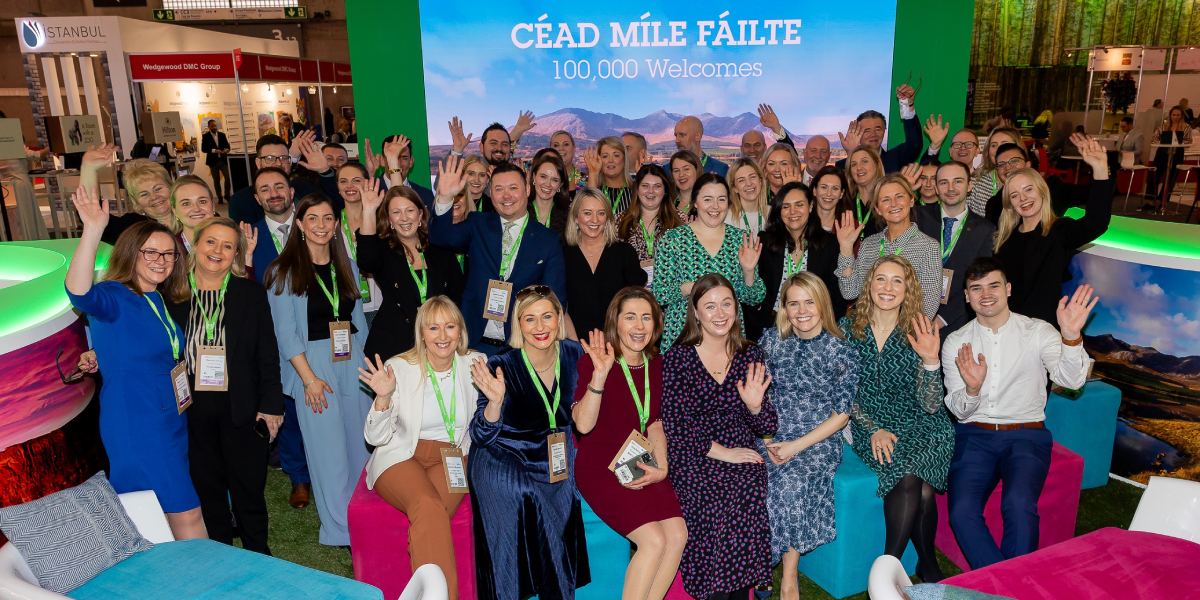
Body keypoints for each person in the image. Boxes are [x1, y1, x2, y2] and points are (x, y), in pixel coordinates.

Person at [64, 186, 206, 540]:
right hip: (138, 420)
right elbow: (79, 292)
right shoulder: (114, 293)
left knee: (153, 514)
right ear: (131, 254)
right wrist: (94, 229)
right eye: (151, 253)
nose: (161, 260)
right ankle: (209, 586)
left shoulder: (156, 297)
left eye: (169, 254)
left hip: (168, 415)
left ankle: (172, 582)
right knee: (185, 513)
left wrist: (101, 353)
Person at [943, 259, 1095, 569]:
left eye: (994, 285)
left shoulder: (1039, 331)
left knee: (1020, 504)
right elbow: (957, 408)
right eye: (977, 288)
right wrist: (972, 389)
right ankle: (1010, 586)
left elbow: (1072, 380)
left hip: (1026, 434)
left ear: (1008, 289)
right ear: (967, 296)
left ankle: (1002, 586)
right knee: (961, 512)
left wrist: (1071, 336)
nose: (986, 294)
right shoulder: (957, 342)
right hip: (974, 433)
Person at [166, 216, 283, 554]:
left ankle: (259, 555)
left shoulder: (250, 294)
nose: (217, 250)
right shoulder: (172, 294)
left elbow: (267, 354)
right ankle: (222, 559)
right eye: (211, 242)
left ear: (236, 255)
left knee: (248, 490)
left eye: (227, 246)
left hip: (242, 409)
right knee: (207, 491)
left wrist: (272, 404)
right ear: (195, 246)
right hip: (190, 410)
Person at [468, 286, 590, 600]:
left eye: (547, 316)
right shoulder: (501, 364)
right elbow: (481, 435)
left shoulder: (575, 354)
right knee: (529, 496)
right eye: (530, 319)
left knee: (563, 502)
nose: (539, 327)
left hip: (554, 455)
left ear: (559, 319)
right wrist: (494, 403)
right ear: (518, 324)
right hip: (502, 455)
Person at [263, 193, 371, 546]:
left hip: (351, 359)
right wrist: (308, 380)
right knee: (328, 452)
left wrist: (368, 368)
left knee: (362, 447)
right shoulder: (283, 270)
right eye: (313, 219)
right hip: (313, 365)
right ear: (299, 224)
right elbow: (284, 332)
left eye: (328, 219)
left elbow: (357, 321)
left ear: (336, 224)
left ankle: (364, 520)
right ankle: (341, 532)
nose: (321, 225)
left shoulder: (348, 266)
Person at [661, 273, 777, 600]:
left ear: (736, 308)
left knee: (747, 488)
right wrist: (722, 452)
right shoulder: (678, 358)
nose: (720, 312)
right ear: (695, 312)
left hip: (740, 447)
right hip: (695, 453)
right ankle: (712, 592)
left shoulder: (750, 355)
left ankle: (740, 592)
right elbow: (676, 424)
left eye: (726, 303)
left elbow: (768, 422)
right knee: (710, 501)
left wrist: (755, 407)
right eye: (709, 306)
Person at [360, 297, 483, 600]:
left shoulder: (475, 364)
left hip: (452, 456)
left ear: (460, 330)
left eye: (450, 326)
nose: (442, 336)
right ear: (422, 332)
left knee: (429, 517)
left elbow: (486, 424)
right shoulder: (398, 367)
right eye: (434, 328)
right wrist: (383, 399)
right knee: (428, 507)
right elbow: (374, 437)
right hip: (401, 454)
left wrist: (495, 401)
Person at [839, 255, 952, 583]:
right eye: (881, 279)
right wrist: (873, 428)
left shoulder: (919, 328)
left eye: (897, 281)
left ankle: (887, 570)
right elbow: (843, 394)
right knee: (922, 490)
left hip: (924, 425)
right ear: (869, 284)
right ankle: (926, 563)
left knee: (907, 474)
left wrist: (931, 360)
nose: (888, 287)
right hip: (868, 424)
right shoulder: (847, 328)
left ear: (908, 290)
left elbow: (931, 405)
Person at [572, 288, 688, 600]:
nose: (639, 326)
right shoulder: (593, 362)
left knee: (677, 534)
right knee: (653, 539)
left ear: (656, 324)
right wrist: (599, 375)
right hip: (599, 467)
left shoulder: (658, 365)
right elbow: (583, 425)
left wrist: (662, 468)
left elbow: (655, 424)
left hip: (638, 461)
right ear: (616, 322)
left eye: (646, 317)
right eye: (630, 317)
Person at [758, 273, 858, 600]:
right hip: (773, 431)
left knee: (788, 484)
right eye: (793, 302)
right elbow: (755, 391)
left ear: (822, 304)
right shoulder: (771, 341)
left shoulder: (842, 350)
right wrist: (770, 436)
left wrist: (796, 446)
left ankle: (787, 576)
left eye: (809, 301)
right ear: (784, 307)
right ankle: (758, 564)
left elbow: (841, 415)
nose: (801, 310)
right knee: (747, 474)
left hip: (817, 439)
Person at [429, 157, 567, 355]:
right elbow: (440, 237)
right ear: (490, 193)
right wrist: (444, 198)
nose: (506, 196)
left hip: (521, 345)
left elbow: (555, 300)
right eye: (499, 189)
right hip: (473, 340)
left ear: (527, 190)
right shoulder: (478, 224)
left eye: (513, 188)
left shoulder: (548, 240)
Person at [243, 166, 312, 508]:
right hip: (272, 336)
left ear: (291, 191)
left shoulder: (314, 226)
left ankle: (326, 468)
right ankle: (298, 476)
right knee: (286, 406)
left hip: (318, 330)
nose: (273, 193)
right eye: (265, 189)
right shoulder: (249, 237)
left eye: (279, 186)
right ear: (257, 199)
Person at [992, 134, 1111, 327]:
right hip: (1007, 329)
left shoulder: (1059, 231)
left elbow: (1097, 222)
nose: (1023, 198)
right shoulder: (1004, 239)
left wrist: (1100, 168)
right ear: (1010, 204)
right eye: (1015, 195)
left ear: (1041, 191)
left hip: (1042, 333)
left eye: (1028, 190)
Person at [653, 173, 766, 351]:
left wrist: (748, 271)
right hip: (684, 334)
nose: (715, 206)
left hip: (727, 335)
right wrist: (690, 288)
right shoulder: (672, 239)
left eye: (721, 199)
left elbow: (754, 298)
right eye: (707, 199)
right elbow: (659, 294)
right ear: (695, 202)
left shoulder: (740, 240)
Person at [359, 182, 465, 360]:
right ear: (389, 219)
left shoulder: (439, 247)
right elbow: (366, 262)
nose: (404, 218)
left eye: (409, 210)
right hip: (395, 343)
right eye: (396, 212)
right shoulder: (383, 249)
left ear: (420, 213)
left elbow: (457, 295)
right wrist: (369, 210)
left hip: (440, 341)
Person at [747, 180, 847, 339]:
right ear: (779, 210)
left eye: (799, 204)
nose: (792, 211)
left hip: (813, 326)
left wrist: (822, 328)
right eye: (786, 206)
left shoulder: (829, 244)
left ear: (811, 206)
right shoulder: (765, 242)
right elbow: (752, 294)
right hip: (771, 326)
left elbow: (836, 297)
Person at [837, 174, 943, 319]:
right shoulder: (869, 244)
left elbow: (928, 307)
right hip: (867, 329)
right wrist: (846, 249)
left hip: (904, 335)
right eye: (885, 200)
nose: (893, 204)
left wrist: (896, 335)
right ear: (878, 209)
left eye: (899, 196)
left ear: (911, 200)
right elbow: (849, 292)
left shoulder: (928, 247)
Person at [915, 161, 995, 341]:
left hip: (958, 325)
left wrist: (941, 319)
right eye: (944, 182)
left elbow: (978, 282)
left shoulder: (985, 229)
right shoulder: (917, 218)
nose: (950, 188)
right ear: (936, 187)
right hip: (915, 320)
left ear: (970, 186)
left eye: (958, 181)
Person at [562, 188, 648, 340]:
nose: (595, 220)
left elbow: (636, 304)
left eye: (601, 213)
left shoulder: (625, 253)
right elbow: (560, 307)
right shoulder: (562, 254)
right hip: (575, 343)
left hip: (619, 342)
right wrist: (577, 347)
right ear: (575, 217)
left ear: (607, 217)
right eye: (587, 213)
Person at [228, 132, 342, 225]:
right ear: (258, 163)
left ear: (289, 161)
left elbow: (339, 206)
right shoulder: (241, 201)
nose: (278, 163)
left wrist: (325, 171)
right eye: (270, 158)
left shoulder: (305, 187)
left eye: (283, 158)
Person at [981, 141, 1089, 224]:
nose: (1008, 167)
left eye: (1014, 161)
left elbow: (1093, 195)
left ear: (1028, 165)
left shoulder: (1052, 189)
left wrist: (1099, 168)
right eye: (1001, 164)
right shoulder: (994, 204)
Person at [834, 85, 929, 174]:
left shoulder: (896, 158)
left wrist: (907, 105)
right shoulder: (842, 166)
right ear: (857, 134)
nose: (873, 134)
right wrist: (852, 154)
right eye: (867, 130)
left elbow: (914, 144)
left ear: (884, 131)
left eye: (878, 129)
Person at [617, 164, 684, 285]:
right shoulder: (619, 221)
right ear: (636, 189)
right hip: (631, 295)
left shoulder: (681, 221)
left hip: (670, 296)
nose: (651, 191)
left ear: (665, 191)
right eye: (645, 186)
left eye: (657, 186)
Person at [333, 162, 383, 323]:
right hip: (349, 309)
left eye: (356, 180)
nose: (350, 186)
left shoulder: (382, 222)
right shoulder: (329, 225)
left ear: (367, 183)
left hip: (384, 305)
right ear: (338, 187)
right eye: (343, 181)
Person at [966, 126, 1022, 216]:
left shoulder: (1031, 183)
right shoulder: (976, 184)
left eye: (1004, 144)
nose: (998, 149)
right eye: (993, 145)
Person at [1147, 105, 1194, 211]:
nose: (1175, 117)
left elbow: (1189, 141)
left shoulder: (1186, 127)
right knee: (1154, 176)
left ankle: (1163, 201)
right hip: (1162, 154)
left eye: (1178, 115)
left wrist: (1178, 142)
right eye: (1173, 115)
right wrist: (1164, 142)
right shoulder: (1163, 127)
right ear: (1170, 115)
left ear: (1181, 116)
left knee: (1171, 179)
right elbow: (1154, 139)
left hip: (1177, 154)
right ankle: (1150, 201)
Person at [380, 134, 436, 209]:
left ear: (411, 162)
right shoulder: (369, 193)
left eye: (404, 158)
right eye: (392, 158)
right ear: (382, 161)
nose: (398, 164)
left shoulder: (425, 195)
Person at [585, 136, 634, 216]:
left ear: (624, 160)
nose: (610, 161)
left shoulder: (637, 192)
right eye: (605, 156)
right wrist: (593, 173)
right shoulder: (594, 189)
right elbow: (587, 214)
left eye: (616, 156)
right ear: (599, 160)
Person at [845, 145, 886, 239]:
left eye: (864, 161)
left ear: (878, 164)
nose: (859, 168)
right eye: (854, 164)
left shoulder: (888, 200)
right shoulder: (844, 202)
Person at [527, 149, 571, 236]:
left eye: (554, 180)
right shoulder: (520, 210)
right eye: (543, 177)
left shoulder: (569, 217)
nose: (548, 184)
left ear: (560, 185)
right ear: (534, 177)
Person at [169, 175, 217, 254]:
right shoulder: (169, 248)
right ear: (175, 212)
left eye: (202, 201)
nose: (196, 209)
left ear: (213, 206)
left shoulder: (231, 241)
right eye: (186, 203)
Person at [727, 158, 770, 235]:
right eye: (741, 180)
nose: (749, 183)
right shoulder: (726, 219)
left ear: (760, 181)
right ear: (734, 188)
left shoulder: (773, 214)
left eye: (752, 177)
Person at [811, 166, 854, 232]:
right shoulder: (802, 222)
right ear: (814, 190)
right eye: (824, 187)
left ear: (841, 193)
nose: (829, 194)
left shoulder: (850, 225)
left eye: (835, 188)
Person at [201, 119, 232, 203]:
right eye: (212, 126)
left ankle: (227, 195)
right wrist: (214, 150)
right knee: (216, 180)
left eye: (215, 125)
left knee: (228, 177)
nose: (214, 127)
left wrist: (226, 150)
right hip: (213, 161)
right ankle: (219, 197)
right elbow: (204, 149)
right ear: (209, 127)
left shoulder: (222, 135)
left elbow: (228, 146)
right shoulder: (206, 136)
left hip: (223, 160)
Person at [669, 150, 702, 217]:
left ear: (697, 170)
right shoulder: (666, 205)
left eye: (686, 169)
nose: (681, 174)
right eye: (676, 171)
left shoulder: (708, 204)